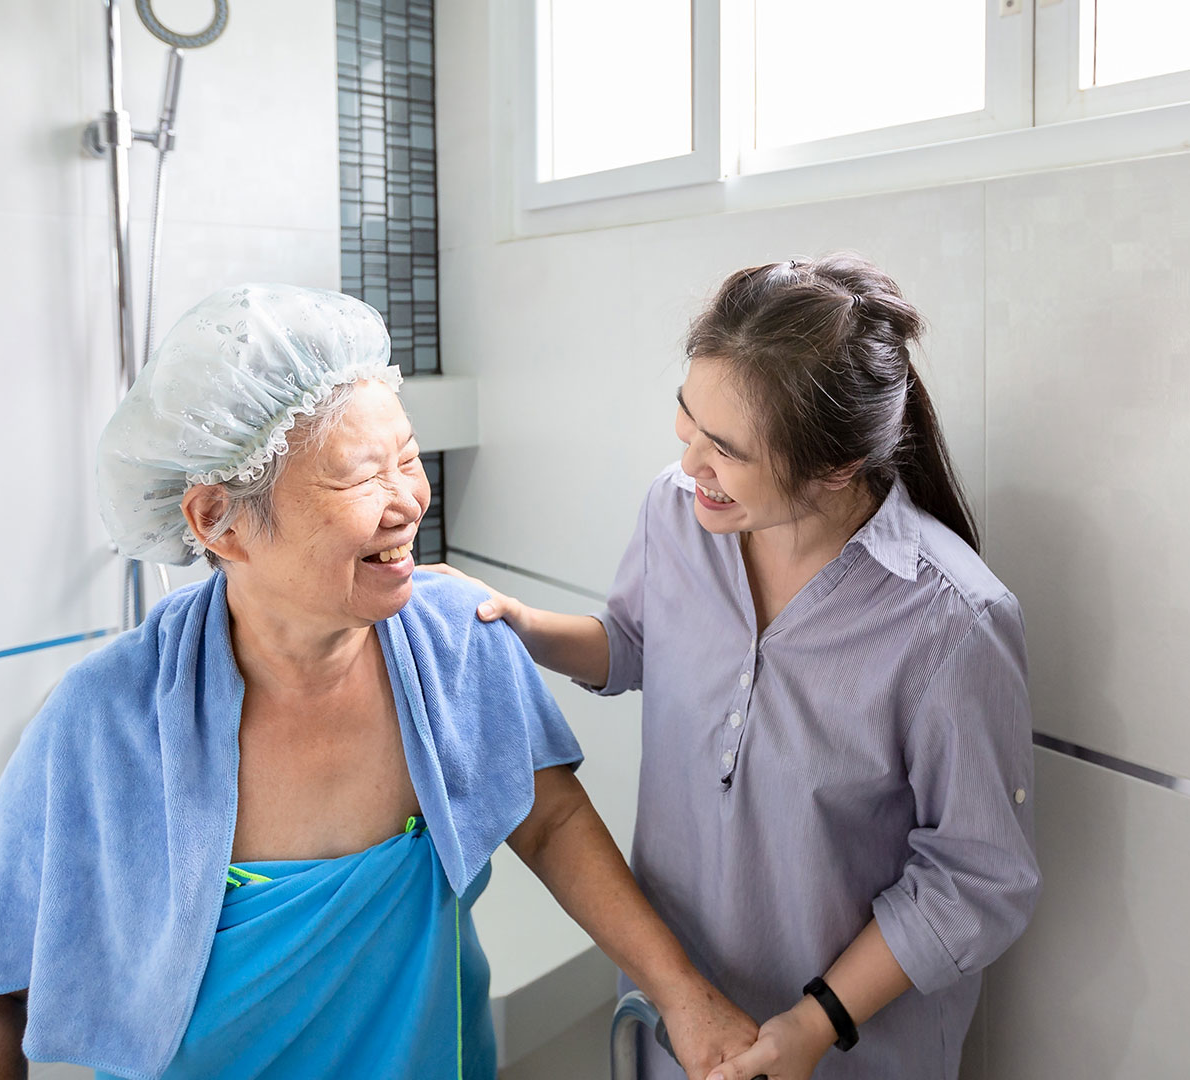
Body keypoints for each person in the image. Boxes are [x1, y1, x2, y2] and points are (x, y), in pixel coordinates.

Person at [0, 284, 757, 1080]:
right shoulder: (107, 721)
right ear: (217, 522)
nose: (408, 502)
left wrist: (683, 994)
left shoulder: (458, 638)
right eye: (359, 475)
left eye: (409, 459)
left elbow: (550, 818)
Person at [428, 255, 1040, 1079]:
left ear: (836, 468)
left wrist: (814, 1025)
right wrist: (522, 625)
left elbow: (977, 878)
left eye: (725, 451)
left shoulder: (952, 623)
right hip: (671, 1012)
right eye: (687, 426)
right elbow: (641, 641)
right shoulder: (676, 515)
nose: (689, 469)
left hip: (846, 1051)